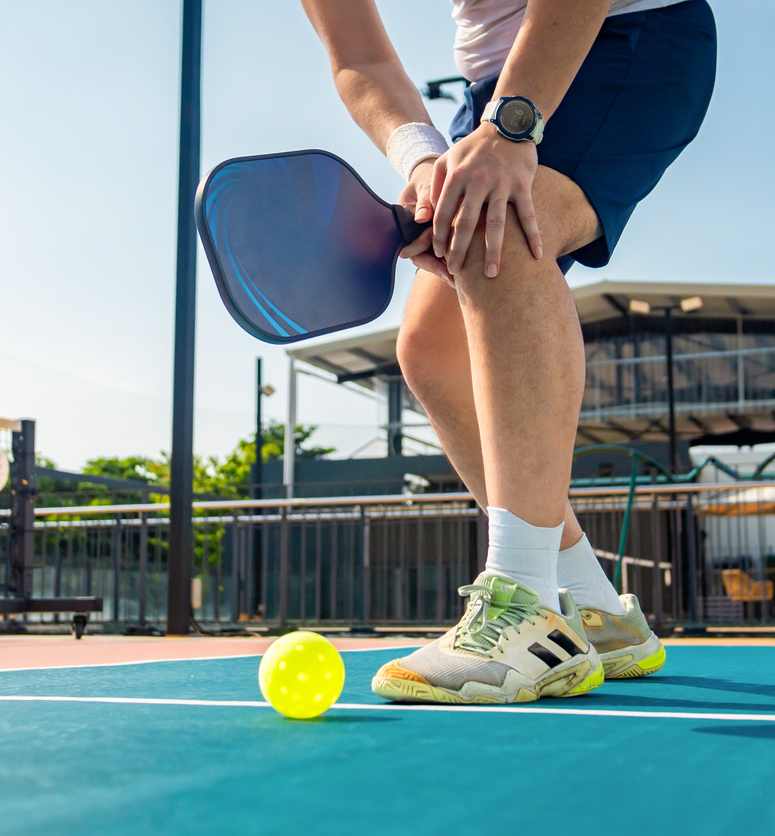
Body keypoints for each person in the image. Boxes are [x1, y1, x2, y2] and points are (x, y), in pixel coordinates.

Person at [300, 0, 716, 703]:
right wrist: (426, 160)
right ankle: (594, 610)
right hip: (488, 88)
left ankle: (523, 603)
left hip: (622, 35)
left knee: (498, 234)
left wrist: (512, 124)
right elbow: (359, 58)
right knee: (432, 350)